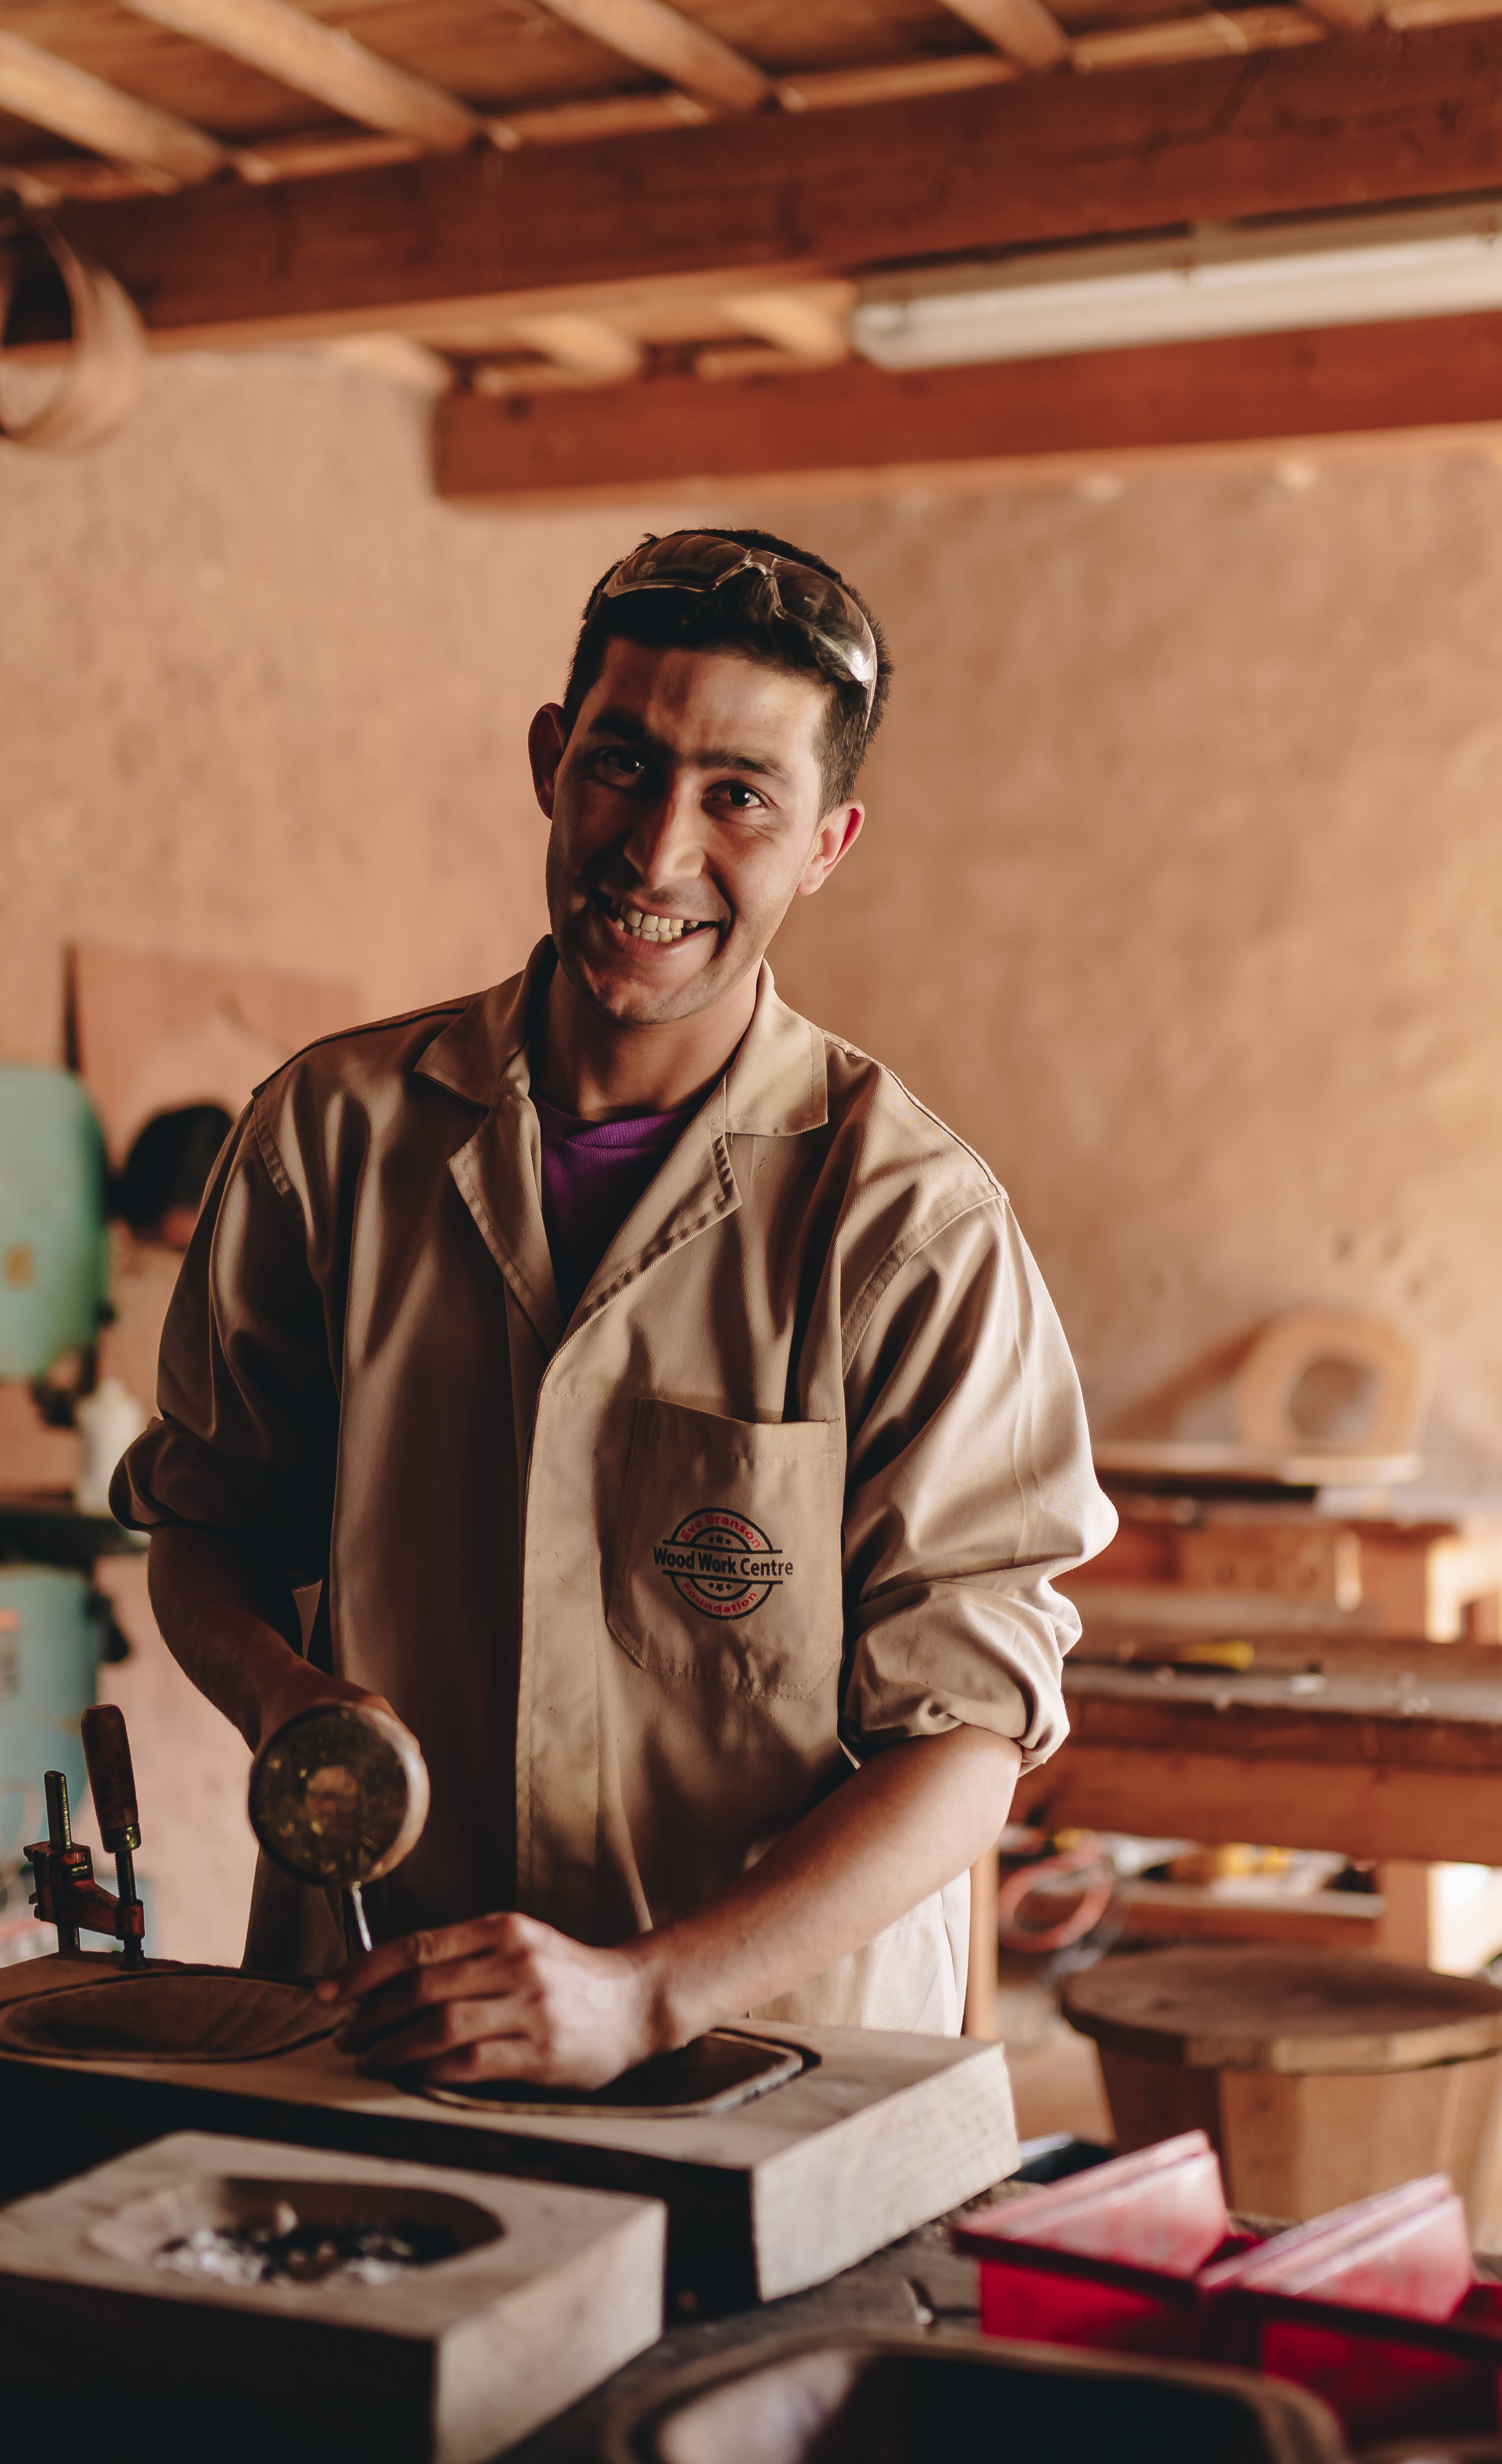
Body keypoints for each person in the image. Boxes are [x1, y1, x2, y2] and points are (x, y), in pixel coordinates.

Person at [111, 531, 1111, 2088]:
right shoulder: (331, 1136)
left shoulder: (909, 1227)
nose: (655, 853)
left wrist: (643, 1993)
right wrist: (287, 1695)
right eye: (622, 765)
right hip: (383, 2010)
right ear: (547, 761)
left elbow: (967, 1742)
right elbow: (205, 1524)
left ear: (829, 840)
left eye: (739, 795)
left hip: (766, 2057)